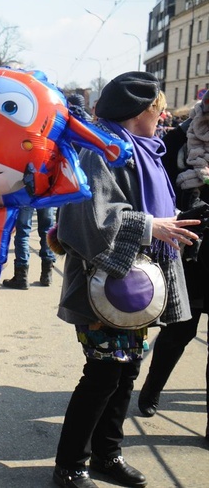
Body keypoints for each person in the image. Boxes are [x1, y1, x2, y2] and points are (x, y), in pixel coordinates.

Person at [52, 72, 201, 488]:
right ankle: (70, 465)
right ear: (141, 111)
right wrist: (150, 226)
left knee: (126, 370)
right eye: (159, 109)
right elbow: (85, 220)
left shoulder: (145, 148)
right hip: (106, 282)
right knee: (102, 374)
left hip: (135, 285)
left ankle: (107, 454)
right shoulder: (100, 149)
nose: (165, 116)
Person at [137, 96, 209, 439]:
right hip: (188, 247)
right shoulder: (178, 140)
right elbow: (156, 188)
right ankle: (153, 387)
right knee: (180, 331)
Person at [1, 206, 57, 289]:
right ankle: (47, 273)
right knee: (46, 229)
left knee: (23, 232)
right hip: (45, 194)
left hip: (26, 195)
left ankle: (21, 276)